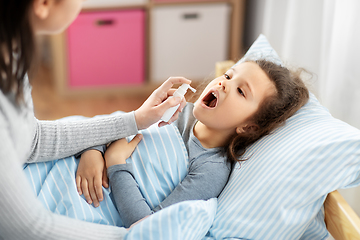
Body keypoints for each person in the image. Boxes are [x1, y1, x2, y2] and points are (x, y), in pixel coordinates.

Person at [0, 0, 190, 239]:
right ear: (44, 4)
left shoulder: (12, 53)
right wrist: (131, 235)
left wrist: (136, 119)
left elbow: (32, 139)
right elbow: (25, 228)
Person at [76, 59, 310, 228]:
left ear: (248, 127)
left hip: (88, 203)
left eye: (240, 91)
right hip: (78, 168)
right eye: (228, 75)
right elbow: (117, 125)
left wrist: (116, 163)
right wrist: (92, 149)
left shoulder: (211, 168)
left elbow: (147, 227)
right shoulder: (177, 112)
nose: (223, 84)